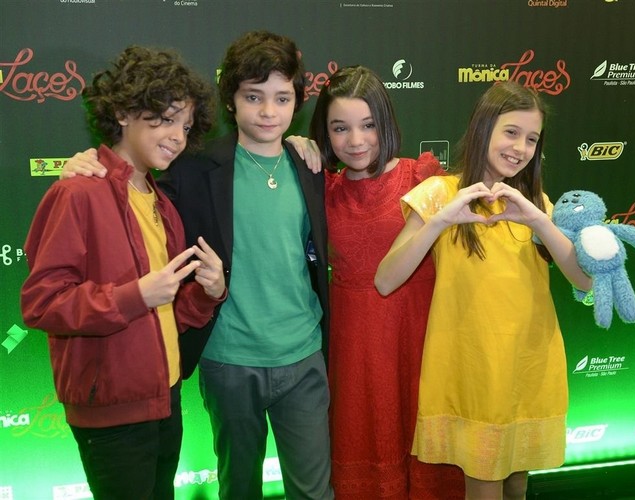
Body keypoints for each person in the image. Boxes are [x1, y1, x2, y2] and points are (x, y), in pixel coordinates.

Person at [61, 31, 332, 499]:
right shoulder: (192, 166)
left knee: (314, 491)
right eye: (253, 97)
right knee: (238, 487)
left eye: (282, 98)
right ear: (230, 101)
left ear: (297, 102)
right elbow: (131, 172)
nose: (268, 111)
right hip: (229, 359)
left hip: (304, 355)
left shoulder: (310, 164)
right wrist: (85, 162)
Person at [20, 46, 226, 500]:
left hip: (165, 399)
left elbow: (170, 313)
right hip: (111, 414)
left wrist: (208, 294)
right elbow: (41, 303)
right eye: (166, 119)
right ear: (122, 112)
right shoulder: (78, 193)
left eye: (185, 127)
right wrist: (135, 295)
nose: (177, 136)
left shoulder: (161, 202)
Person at [374, 81, 592, 500]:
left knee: (516, 485)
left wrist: (540, 220)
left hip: (529, 366)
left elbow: (584, 280)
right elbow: (385, 280)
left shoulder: (537, 203)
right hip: (473, 371)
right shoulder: (440, 193)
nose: (520, 148)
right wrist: (441, 220)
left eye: (531, 139)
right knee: (485, 485)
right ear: (483, 128)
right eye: (511, 132)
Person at [294, 65, 464, 498]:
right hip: (354, 347)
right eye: (340, 128)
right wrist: (293, 145)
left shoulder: (421, 178)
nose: (356, 140)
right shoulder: (321, 188)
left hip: (419, 337)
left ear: (385, 122)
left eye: (368, 125)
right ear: (324, 132)